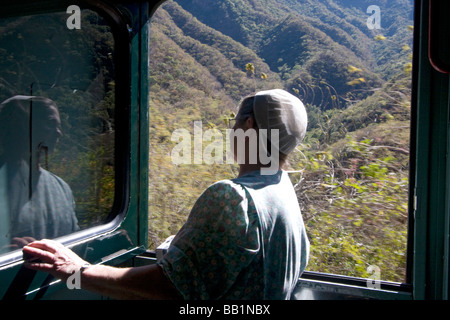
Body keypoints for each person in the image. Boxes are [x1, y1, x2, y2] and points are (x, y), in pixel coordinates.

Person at [22, 89, 309, 300]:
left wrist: (75, 270)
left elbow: (168, 287)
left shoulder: (233, 198)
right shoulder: (284, 192)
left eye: (234, 124)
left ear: (248, 126)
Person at [0, 95, 79, 252]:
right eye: (50, 123)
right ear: (20, 125)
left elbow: (76, 242)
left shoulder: (61, 188)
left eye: (59, 126)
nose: (59, 133)